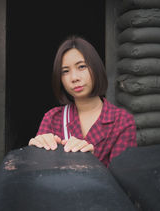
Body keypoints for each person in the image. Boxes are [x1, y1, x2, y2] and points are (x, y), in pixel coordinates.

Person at [28, 35, 137, 167]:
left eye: (81, 67)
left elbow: (122, 180)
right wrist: (36, 152)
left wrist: (91, 162)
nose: (74, 78)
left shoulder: (122, 122)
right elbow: (39, 173)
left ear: (95, 68)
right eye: (65, 71)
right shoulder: (53, 118)